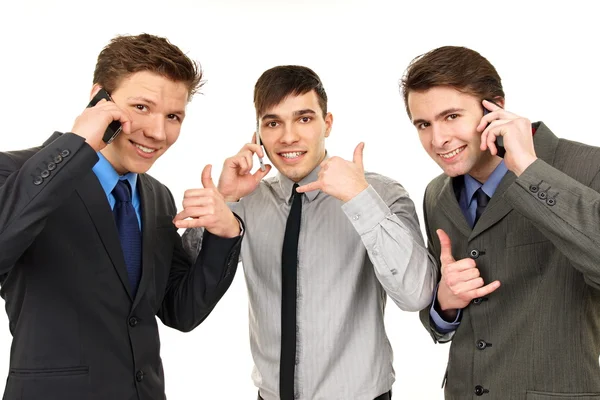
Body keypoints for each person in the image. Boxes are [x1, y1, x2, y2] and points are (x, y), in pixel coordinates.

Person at [0, 33, 243, 400]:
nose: (158, 133)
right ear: (99, 98)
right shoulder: (18, 173)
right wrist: (77, 143)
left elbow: (181, 310)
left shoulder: (156, 196)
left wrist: (225, 232)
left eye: (173, 116)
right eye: (142, 108)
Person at [179, 65, 435, 400]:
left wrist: (361, 199)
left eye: (304, 119)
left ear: (327, 124)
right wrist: (225, 201)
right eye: (273, 123)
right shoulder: (247, 199)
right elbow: (185, 288)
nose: (288, 137)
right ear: (257, 133)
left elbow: (416, 294)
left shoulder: (381, 194)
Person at [401, 45, 600, 399]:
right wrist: (444, 303)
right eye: (423, 124)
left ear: (495, 107)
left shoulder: (588, 167)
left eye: (451, 116)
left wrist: (528, 169)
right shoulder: (436, 194)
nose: (438, 139)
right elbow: (442, 324)